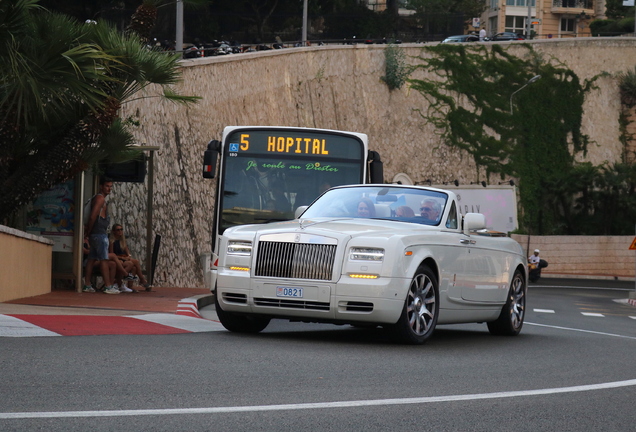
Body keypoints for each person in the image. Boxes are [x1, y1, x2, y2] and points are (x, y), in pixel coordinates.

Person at [83, 177, 119, 294]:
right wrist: (89, 229)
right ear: (101, 186)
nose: (109, 189)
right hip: (99, 234)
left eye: (110, 186)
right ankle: (108, 286)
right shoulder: (100, 199)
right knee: (104, 259)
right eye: (107, 186)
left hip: (96, 233)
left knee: (91, 259)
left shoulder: (99, 199)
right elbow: (93, 216)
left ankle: (87, 284)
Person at [109, 224, 151, 291]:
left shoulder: (122, 241)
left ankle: (128, 285)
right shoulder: (112, 242)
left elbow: (128, 252)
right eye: (118, 230)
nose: (120, 231)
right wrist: (123, 258)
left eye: (121, 229)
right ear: (114, 231)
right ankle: (141, 279)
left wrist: (128, 257)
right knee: (132, 263)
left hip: (124, 258)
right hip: (118, 259)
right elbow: (112, 254)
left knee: (134, 266)